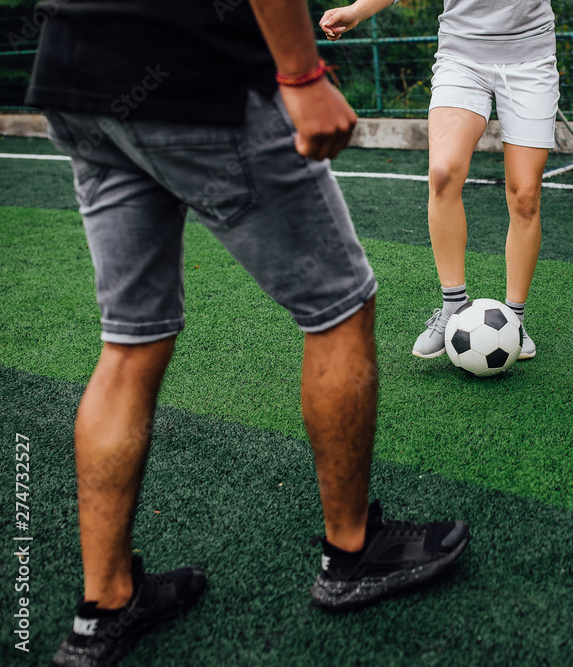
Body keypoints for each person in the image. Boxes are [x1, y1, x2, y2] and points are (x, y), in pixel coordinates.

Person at [27, 1, 469, 664]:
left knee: (129, 338)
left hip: (76, 69)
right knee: (340, 308)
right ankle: (351, 553)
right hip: (196, 71)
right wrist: (302, 76)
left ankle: (104, 606)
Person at [321, 0, 573, 361]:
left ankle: (514, 320)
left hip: (531, 62)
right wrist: (357, 10)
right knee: (442, 174)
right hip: (461, 58)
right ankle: (453, 305)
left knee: (525, 197)